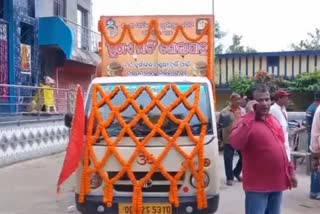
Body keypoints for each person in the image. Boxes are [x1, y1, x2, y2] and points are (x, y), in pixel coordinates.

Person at [230, 84, 297, 214]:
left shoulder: (273, 120)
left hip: (277, 184)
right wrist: (249, 115)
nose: (265, 103)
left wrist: (291, 171)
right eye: (260, 100)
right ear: (251, 102)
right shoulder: (244, 122)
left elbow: (283, 147)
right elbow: (235, 143)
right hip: (257, 188)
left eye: (267, 99)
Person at [218, 93, 245, 186]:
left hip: (240, 138)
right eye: (237, 99)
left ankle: (236, 173)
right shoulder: (224, 112)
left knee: (244, 158)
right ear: (231, 100)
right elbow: (219, 125)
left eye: (239, 99)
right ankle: (229, 178)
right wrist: (220, 140)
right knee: (228, 159)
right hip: (228, 139)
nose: (239, 101)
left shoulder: (243, 111)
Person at [270, 90, 291, 161]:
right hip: (278, 143)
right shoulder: (272, 109)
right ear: (279, 98)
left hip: (285, 140)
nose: (287, 99)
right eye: (285, 97)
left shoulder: (283, 109)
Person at [310, 105, 320, 200]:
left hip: (316, 144)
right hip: (317, 144)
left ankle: (315, 191)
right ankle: (315, 192)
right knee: (317, 168)